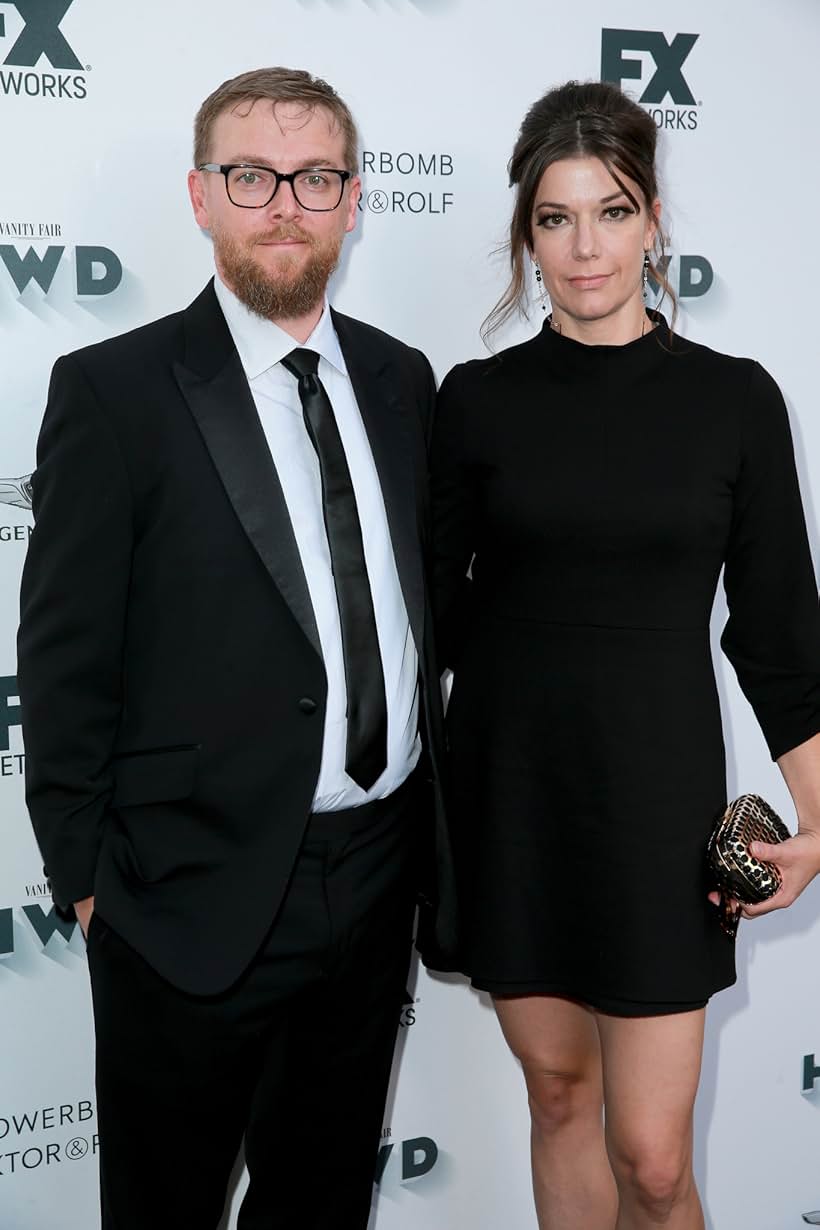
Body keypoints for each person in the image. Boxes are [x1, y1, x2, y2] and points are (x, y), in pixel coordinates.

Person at [17, 66, 456, 1230]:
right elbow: (61, 660)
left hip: (373, 878)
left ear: (354, 202)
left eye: (315, 178)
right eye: (251, 175)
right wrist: (88, 881)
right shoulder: (115, 392)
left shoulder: (402, 382)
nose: (284, 205)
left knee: (318, 1205)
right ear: (202, 196)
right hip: (182, 898)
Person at [431, 79, 820, 1230]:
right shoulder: (474, 402)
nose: (583, 245)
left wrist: (818, 824)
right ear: (525, 236)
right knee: (559, 1097)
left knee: (651, 1158)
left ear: (652, 218)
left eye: (609, 210)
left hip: (652, 804)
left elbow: (779, 636)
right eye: (554, 218)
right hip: (511, 794)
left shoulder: (734, 403)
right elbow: (423, 620)